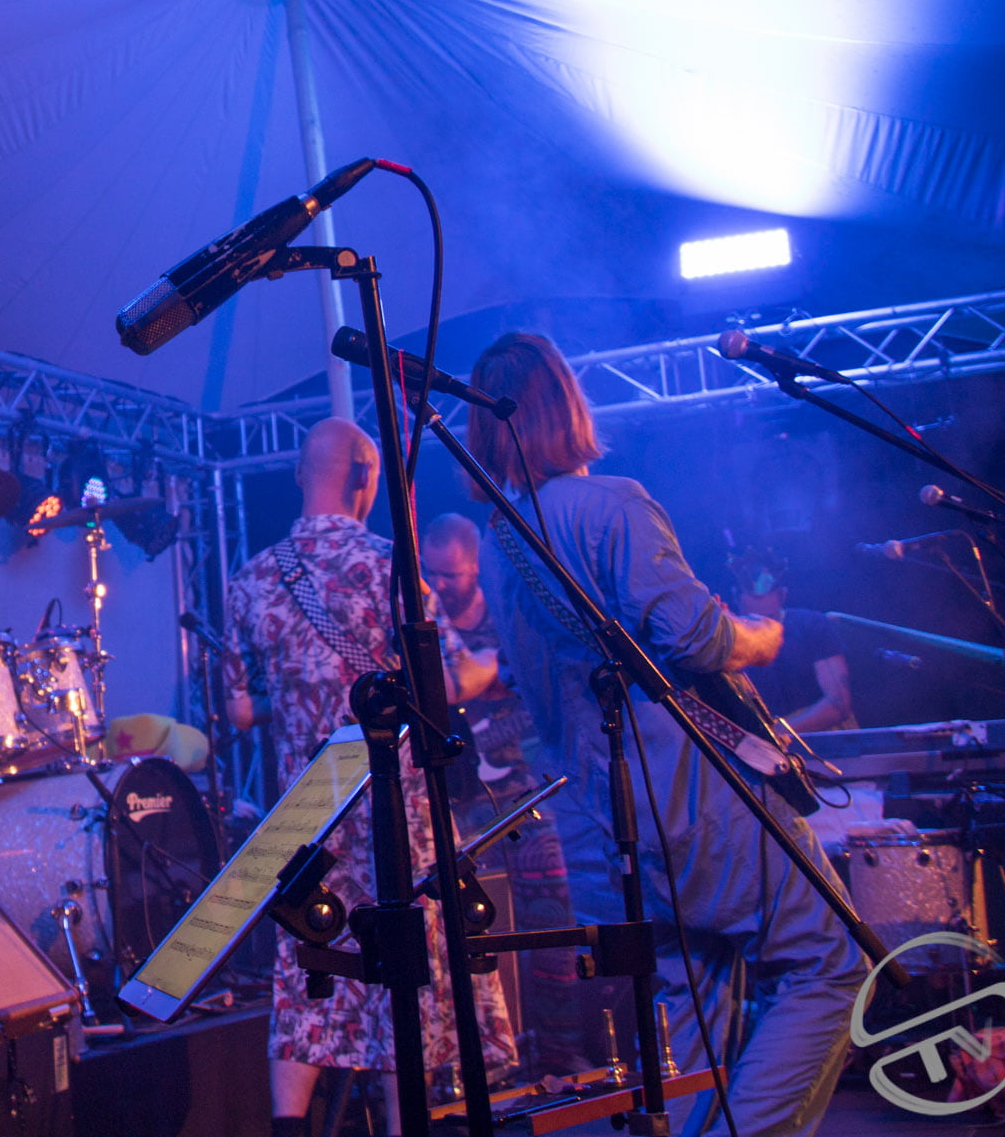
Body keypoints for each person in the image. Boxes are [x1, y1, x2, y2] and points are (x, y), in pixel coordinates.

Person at [467, 334, 866, 1137]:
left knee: (693, 998)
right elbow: (695, 640)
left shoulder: (496, 542)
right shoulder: (612, 504)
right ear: (566, 407)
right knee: (833, 962)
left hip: (598, 825)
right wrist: (762, 634)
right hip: (692, 803)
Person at [225, 419, 513, 1137]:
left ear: (300, 475)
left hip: (307, 814)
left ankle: (289, 1127)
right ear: (366, 478)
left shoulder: (251, 578)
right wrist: (498, 663)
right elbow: (450, 681)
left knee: (306, 964)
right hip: (394, 807)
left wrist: (302, 693)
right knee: (401, 970)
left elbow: (239, 710)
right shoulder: (390, 567)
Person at [421, 513, 588, 1079]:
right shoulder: (426, 626)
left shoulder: (508, 619)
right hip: (454, 802)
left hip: (520, 793)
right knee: (459, 926)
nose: (439, 584)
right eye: (432, 573)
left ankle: (561, 1052)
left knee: (553, 913)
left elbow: (544, 696)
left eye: (451, 575)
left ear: (475, 567)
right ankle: (475, 1059)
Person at [726, 542, 856, 734]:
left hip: (825, 741)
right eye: (752, 619)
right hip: (765, 748)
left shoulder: (811, 625)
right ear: (736, 598)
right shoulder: (730, 642)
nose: (762, 628)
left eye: (769, 618)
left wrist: (777, 734)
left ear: (783, 595)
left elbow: (839, 703)